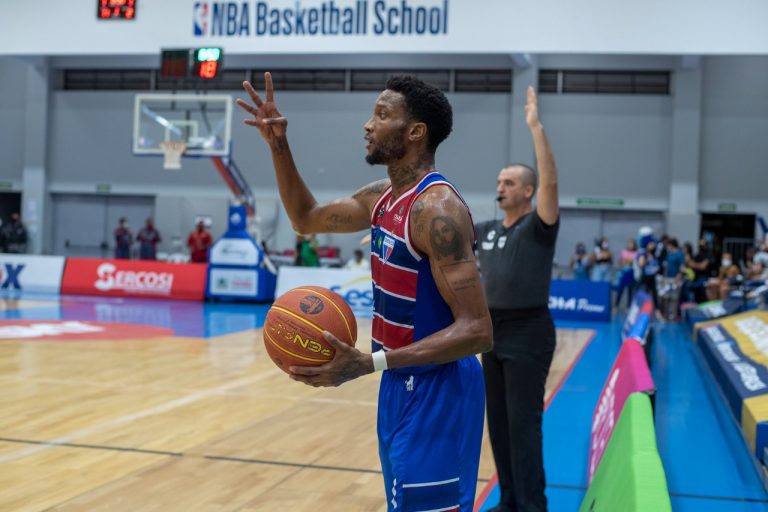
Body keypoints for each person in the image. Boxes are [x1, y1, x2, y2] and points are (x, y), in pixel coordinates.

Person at [238, 72, 492, 512]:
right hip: (398, 383)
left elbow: (478, 331)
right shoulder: (383, 197)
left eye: (381, 115)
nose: (367, 125)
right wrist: (278, 145)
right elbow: (306, 217)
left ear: (415, 132)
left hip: (440, 388)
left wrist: (369, 363)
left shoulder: (437, 211)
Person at [474, 86, 559, 512]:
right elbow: (437, 236)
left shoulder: (538, 226)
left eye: (509, 182)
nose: (500, 187)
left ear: (528, 191)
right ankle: (509, 501)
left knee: (524, 426)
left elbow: (551, 182)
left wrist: (535, 128)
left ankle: (532, 506)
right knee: (499, 426)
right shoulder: (487, 228)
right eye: (498, 182)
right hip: (492, 333)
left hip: (528, 331)